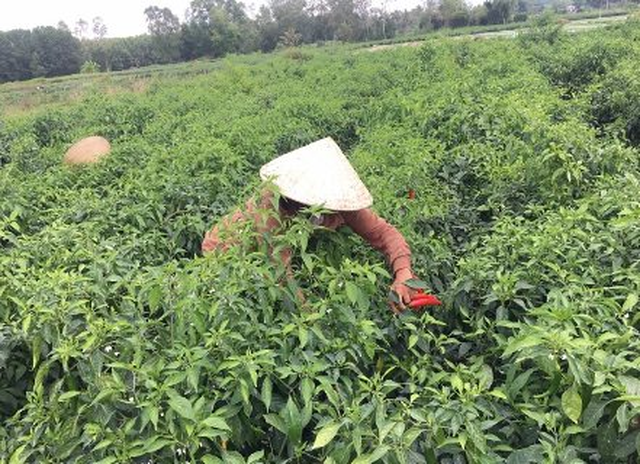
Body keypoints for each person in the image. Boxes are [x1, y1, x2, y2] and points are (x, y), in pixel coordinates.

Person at [201, 137, 420, 313]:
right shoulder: (272, 206)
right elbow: (279, 272)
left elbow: (384, 233)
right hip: (228, 252)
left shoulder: (339, 200)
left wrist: (403, 273)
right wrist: (313, 318)